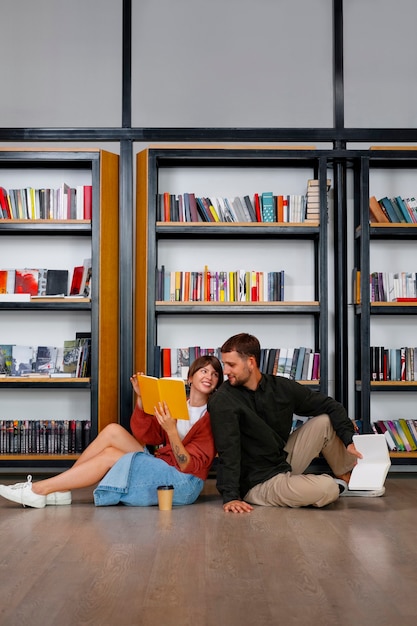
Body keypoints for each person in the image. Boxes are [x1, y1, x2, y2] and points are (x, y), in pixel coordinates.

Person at [0, 355, 223, 509]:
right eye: (203, 371)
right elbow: (148, 436)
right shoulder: (177, 403)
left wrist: (172, 431)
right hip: (164, 463)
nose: (209, 376)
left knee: (111, 454)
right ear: (190, 377)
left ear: (216, 385)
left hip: (184, 480)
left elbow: (188, 465)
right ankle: (62, 488)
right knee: (113, 431)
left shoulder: (211, 417)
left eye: (214, 374)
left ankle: (39, 490)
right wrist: (141, 399)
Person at [208, 333, 385, 514]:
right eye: (225, 364)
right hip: (256, 481)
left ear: (251, 362)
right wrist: (231, 496)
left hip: (280, 461)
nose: (226, 371)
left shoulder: (280, 387)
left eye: (231, 365)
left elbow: (331, 406)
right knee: (327, 489)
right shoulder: (223, 400)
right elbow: (228, 451)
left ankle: (347, 478)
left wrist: (349, 440)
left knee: (324, 421)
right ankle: (329, 485)